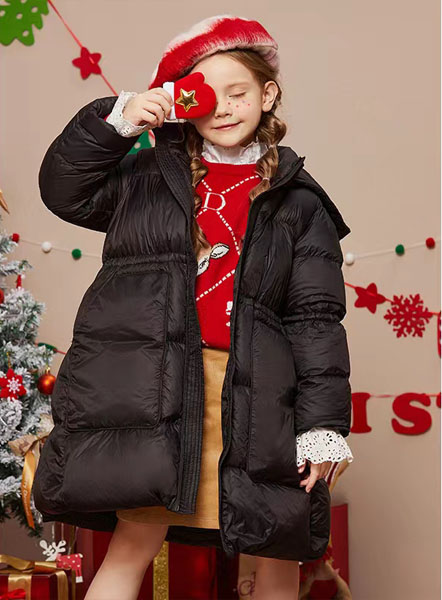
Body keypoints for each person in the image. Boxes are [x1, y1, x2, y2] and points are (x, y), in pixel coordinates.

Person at [34, 14, 354, 600]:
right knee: (133, 543)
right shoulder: (148, 175)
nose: (225, 109)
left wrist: (323, 426)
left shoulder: (300, 203)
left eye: (239, 92)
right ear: (186, 103)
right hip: (158, 387)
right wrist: (119, 122)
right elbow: (64, 189)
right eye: (208, 95)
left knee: (275, 549)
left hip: (261, 396)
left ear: (268, 94)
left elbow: (315, 321)